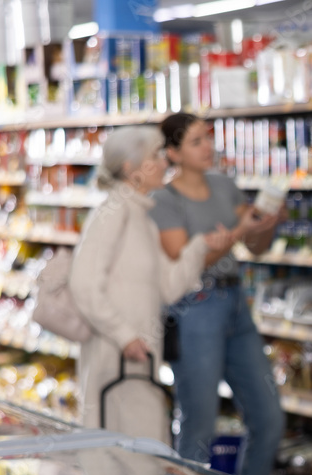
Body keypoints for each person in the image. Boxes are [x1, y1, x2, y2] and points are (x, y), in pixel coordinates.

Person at [149, 113, 286, 475]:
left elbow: (254, 246)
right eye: (195, 141)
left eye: (207, 138)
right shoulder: (163, 200)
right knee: (199, 425)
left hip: (234, 303)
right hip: (193, 310)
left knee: (269, 418)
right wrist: (242, 229)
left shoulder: (223, 185)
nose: (207, 146)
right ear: (173, 153)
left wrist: (267, 223)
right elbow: (182, 263)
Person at [70, 127, 231, 443]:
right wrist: (124, 335)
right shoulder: (113, 213)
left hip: (138, 360)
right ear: (131, 169)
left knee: (141, 452)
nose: (164, 163)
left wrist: (199, 247)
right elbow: (84, 283)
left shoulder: (140, 217)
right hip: (115, 360)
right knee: (119, 453)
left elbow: (168, 287)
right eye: (155, 157)